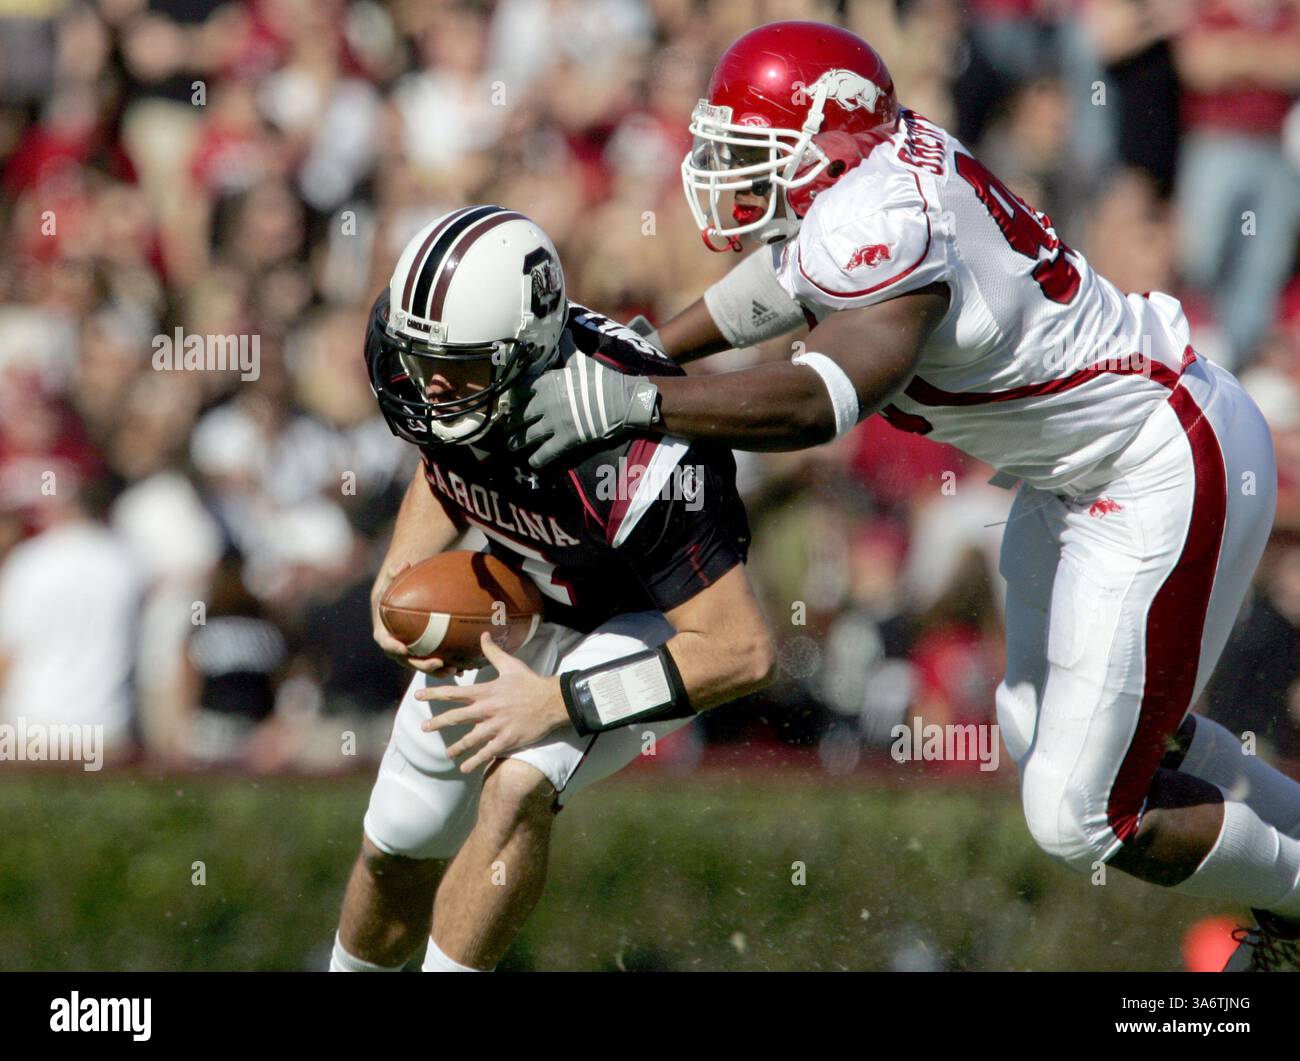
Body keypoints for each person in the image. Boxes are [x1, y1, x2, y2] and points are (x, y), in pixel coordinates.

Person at [515, 20, 1296, 970]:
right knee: (1046, 733)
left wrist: (637, 401)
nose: (725, 170)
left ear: (827, 143)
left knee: (1084, 815)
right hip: (1086, 472)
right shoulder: (867, 180)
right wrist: (648, 351)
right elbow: (788, 280)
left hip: (1160, 461)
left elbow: (823, 396)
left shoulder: (889, 217)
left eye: (753, 150)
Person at [330, 206, 775, 972]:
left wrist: (556, 701)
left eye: (458, 367)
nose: (429, 387)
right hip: (524, 598)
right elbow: (444, 462)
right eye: (418, 358)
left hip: (646, 626)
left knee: (517, 784)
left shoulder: (635, 451)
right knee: (395, 844)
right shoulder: (465, 385)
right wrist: (398, 573)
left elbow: (742, 651)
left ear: (525, 354)